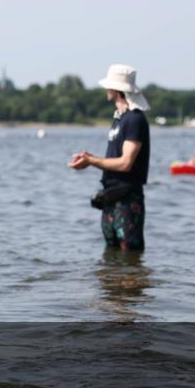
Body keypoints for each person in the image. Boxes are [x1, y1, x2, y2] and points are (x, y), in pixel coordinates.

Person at [68, 64, 150, 252]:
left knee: (130, 256)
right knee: (110, 257)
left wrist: (92, 161)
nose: (105, 89)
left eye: (108, 85)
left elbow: (126, 163)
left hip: (128, 199)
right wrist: (89, 159)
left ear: (116, 89)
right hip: (111, 197)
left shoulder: (135, 120)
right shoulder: (119, 119)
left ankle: (134, 282)